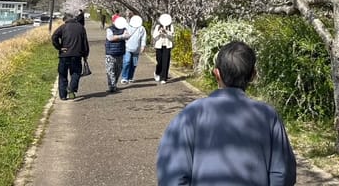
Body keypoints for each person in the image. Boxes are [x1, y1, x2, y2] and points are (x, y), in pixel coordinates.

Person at [156, 41, 296, 186]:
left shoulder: (190, 115)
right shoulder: (268, 116)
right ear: (253, 75)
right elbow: (283, 174)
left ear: (216, 73)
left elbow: (171, 175)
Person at [51, 11, 90, 101]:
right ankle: (72, 88)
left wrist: (59, 47)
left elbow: (54, 37)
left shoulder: (63, 27)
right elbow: (85, 43)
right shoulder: (81, 28)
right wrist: (85, 55)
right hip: (77, 55)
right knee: (76, 73)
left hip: (64, 55)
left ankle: (63, 95)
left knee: (63, 75)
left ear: (65, 20)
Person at [104, 15, 129, 93]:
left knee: (118, 69)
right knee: (110, 69)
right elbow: (110, 38)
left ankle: (114, 83)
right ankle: (112, 86)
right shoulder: (110, 29)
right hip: (110, 53)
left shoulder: (124, 28)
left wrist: (117, 37)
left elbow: (127, 36)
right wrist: (121, 36)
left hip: (120, 52)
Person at [119, 14, 147, 84]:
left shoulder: (141, 28)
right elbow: (122, 35)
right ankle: (124, 77)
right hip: (127, 48)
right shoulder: (126, 27)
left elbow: (143, 38)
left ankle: (130, 77)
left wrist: (143, 46)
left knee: (134, 64)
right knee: (127, 62)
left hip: (136, 49)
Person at [152, 13, 174, 84]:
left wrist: (166, 32)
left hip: (167, 46)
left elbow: (172, 36)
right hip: (159, 46)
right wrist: (159, 32)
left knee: (166, 61)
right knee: (159, 61)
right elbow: (154, 36)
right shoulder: (158, 26)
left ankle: (163, 78)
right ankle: (157, 72)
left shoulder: (171, 27)